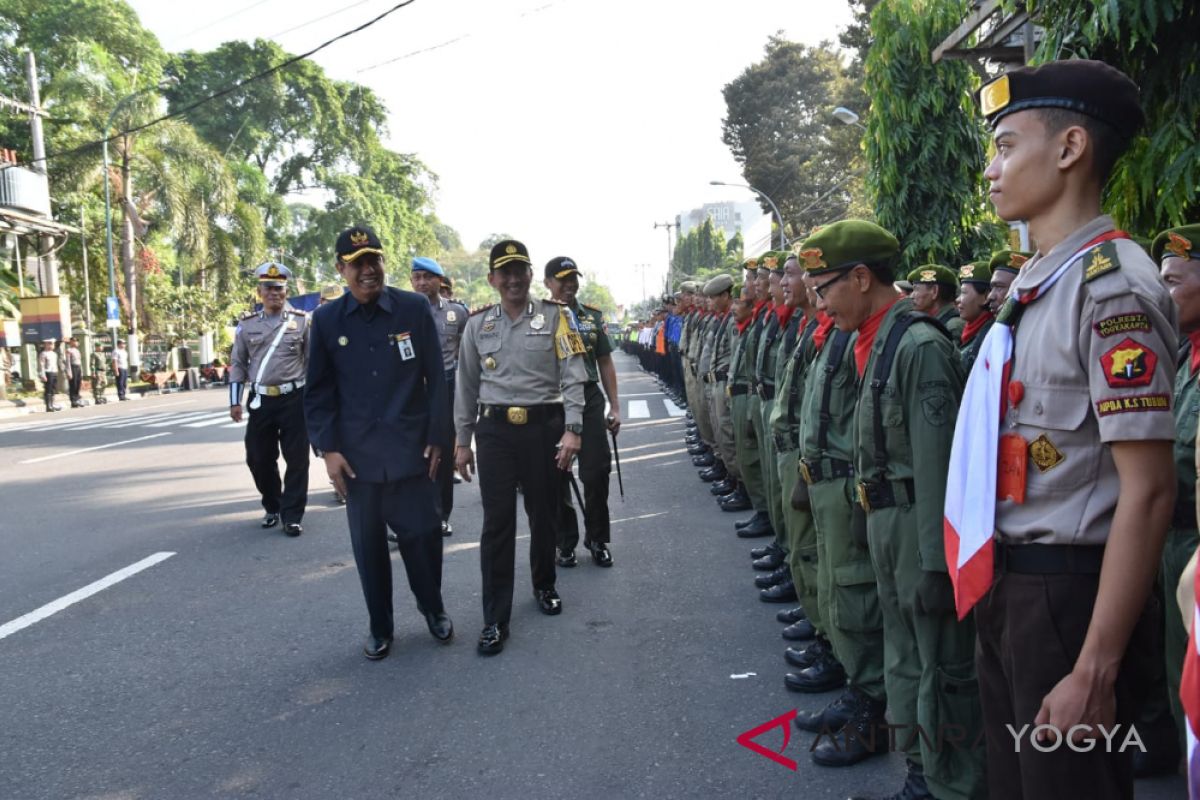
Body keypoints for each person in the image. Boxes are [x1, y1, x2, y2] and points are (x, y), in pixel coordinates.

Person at [959, 60, 1177, 800]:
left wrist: (1096, 668)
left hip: (1067, 599)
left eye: (1006, 146)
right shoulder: (1038, 281)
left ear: (1069, 147)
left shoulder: (1111, 287)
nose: (991, 170)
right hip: (1010, 588)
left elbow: (1147, 491)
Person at [800, 220, 982, 800]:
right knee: (903, 656)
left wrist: (936, 561)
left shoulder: (919, 345)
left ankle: (951, 782)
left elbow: (934, 464)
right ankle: (920, 769)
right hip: (886, 520)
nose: (820, 301)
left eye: (825, 286)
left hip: (915, 525)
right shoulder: (875, 338)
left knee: (940, 665)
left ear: (860, 277)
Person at [305, 225, 453, 660]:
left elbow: (436, 382)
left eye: (375, 260)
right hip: (358, 461)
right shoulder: (328, 320)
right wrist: (328, 451)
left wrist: (437, 437)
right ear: (341, 269)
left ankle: (433, 607)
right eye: (357, 264)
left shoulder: (412, 309)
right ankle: (380, 626)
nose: (368, 270)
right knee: (369, 550)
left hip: (412, 452)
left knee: (423, 539)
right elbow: (318, 392)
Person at [454, 239, 588, 656]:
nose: (513, 279)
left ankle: (544, 584)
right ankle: (495, 618)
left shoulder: (557, 318)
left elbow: (574, 373)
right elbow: (466, 386)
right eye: (504, 272)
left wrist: (573, 429)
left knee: (544, 514)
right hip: (494, 432)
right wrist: (462, 441)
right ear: (492, 279)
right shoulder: (477, 325)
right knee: (497, 524)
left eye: (520, 271)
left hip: (543, 428)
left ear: (531, 275)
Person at [543, 256, 620, 569]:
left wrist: (615, 406)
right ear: (547, 282)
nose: (570, 285)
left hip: (588, 398)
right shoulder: (537, 319)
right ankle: (565, 542)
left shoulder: (590, 317)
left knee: (597, 471)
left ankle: (598, 538)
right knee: (556, 476)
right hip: (551, 402)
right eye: (563, 279)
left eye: (574, 278)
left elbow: (604, 361)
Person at [228, 262, 310, 537]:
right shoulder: (247, 325)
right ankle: (273, 504)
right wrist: (235, 401)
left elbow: (312, 363)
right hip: (261, 400)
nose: (275, 293)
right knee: (258, 457)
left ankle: (293, 514)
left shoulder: (302, 321)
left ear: (286, 291)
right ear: (259, 292)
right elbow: (238, 363)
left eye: (279, 288)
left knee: (297, 459)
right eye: (269, 288)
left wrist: (315, 399)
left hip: (294, 397)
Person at [410, 256, 469, 537]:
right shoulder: (402, 312)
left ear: (439, 281)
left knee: (442, 454)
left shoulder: (457, 313)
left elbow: (469, 354)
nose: (422, 282)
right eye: (417, 277)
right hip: (411, 391)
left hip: (446, 388)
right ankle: (410, 516)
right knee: (411, 454)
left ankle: (441, 515)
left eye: (427, 277)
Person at [956, 261, 995, 373]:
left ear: (986, 297)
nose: (958, 299)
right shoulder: (972, 332)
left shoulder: (990, 334)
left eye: (964, 293)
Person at [907, 264, 964, 338]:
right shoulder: (938, 321)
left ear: (934, 291)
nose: (911, 296)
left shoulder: (953, 326)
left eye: (916, 289)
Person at [37, 339, 61, 412]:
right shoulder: (43, 353)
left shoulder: (54, 354)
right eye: (50, 344)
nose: (52, 345)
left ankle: (53, 404)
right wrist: (43, 375)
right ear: (46, 344)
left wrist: (57, 372)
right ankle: (48, 406)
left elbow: (55, 364)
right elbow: (41, 365)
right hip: (48, 373)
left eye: (52, 344)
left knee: (53, 389)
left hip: (54, 372)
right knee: (48, 389)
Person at [65, 338, 83, 407]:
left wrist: (81, 372)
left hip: (78, 367)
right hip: (73, 367)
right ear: (71, 342)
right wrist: (69, 372)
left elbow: (80, 362)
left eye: (76, 341)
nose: (76, 343)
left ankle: (77, 398)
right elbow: (68, 362)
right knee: (73, 384)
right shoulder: (69, 350)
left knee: (78, 384)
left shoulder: (77, 351)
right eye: (74, 341)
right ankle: (73, 400)